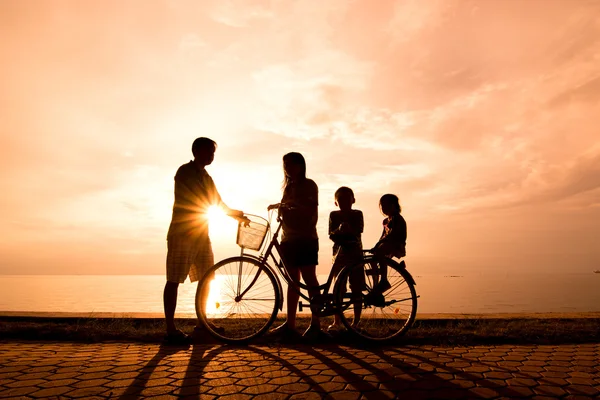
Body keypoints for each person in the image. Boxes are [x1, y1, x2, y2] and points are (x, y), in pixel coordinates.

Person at [164, 137, 249, 344]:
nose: (212, 156)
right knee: (174, 280)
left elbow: (217, 202)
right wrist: (227, 210)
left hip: (201, 234)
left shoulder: (207, 177)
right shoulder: (185, 172)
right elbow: (200, 199)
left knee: (207, 278)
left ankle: (202, 324)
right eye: (209, 152)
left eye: (213, 153)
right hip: (183, 233)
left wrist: (236, 214)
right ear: (196, 151)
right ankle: (170, 329)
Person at [267, 152, 324, 339]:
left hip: (306, 238)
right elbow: (287, 211)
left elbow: (311, 210)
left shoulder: (309, 185)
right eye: (285, 165)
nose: (287, 168)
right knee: (292, 282)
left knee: (309, 279)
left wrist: (292, 205)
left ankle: (316, 323)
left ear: (301, 166)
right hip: (288, 239)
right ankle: (290, 324)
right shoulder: (288, 187)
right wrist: (281, 208)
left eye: (291, 164)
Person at [327, 186, 365, 332]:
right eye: (340, 199)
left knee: (356, 288)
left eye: (346, 199)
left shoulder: (357, 214)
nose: (343, 202)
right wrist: (339, 230)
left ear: (353, 200)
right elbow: (331, 234)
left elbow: (359, 230)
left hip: (355, 254)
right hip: (339, 255)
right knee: (339, 288)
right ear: (336, 203)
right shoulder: (333, 215)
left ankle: (356, 322)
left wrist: (348, 228)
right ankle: (337, 321)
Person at [371, 193, 407, 294]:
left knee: (380, 253)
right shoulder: (385, 221)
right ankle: (376, 284)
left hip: (395, 244)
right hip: (386, 244)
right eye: (382, 206)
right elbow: (382, 236)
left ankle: (383, 280)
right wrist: (376, 245)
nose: (383, 208)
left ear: (393, 206)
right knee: (373, 259)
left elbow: (392, 235)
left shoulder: (397, 219)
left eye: (385, 206)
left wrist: (379, 245)